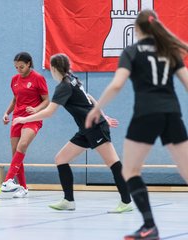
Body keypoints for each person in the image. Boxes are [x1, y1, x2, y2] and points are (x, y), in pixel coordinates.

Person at [85, 9, 188, 240]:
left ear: (137, 29)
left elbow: (117, 84)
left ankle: (149, 226)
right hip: (172, 114)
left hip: (146, 115)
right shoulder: (169, 50)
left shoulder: (131, 51)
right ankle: (149, 227)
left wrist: (96, 108)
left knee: (130, 170)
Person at [13, 53, 133, 213]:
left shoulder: (64, 85)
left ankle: (126, 202)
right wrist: (104, 115)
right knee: (61, 159)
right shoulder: (73, 79)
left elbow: (49, 111)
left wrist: (23, 120)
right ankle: (68, 200)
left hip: (95, 127)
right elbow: (89, 97)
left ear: (55, 69)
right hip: (86, 128)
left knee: (113, 163)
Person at [1, 52, 49, 198]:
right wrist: (6, 113)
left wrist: (36, 109)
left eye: (21, 66)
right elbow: (15, 99)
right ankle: (23, 188)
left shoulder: (38, 78)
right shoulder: (14, 80)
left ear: (29, 64)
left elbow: (46, 101)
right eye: (16, 67)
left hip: (33, 118)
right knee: (16, 153)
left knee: (22, 145)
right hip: (17, 117)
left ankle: (7, 180)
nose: (18, 70)